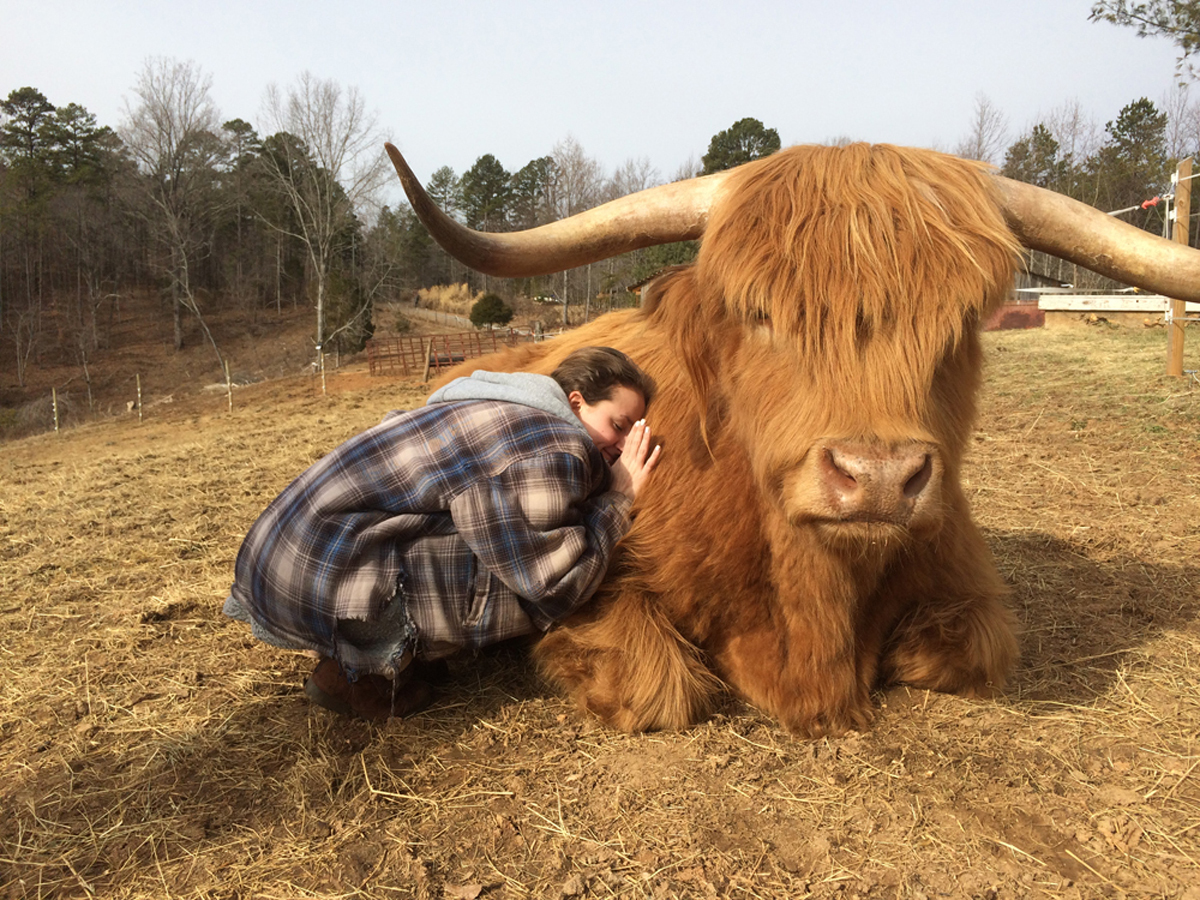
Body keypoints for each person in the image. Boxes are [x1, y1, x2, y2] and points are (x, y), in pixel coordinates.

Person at [223, 346, 661, 721]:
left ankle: (386, 653)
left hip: (287, 554)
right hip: (320, 568)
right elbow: (555, 583)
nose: (622, 447)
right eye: (619, 426)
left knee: (484, 538)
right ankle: (355, 677)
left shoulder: (491, 401)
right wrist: (617, 500)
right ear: (576, 401)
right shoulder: (554, 443)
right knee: (514, 574)